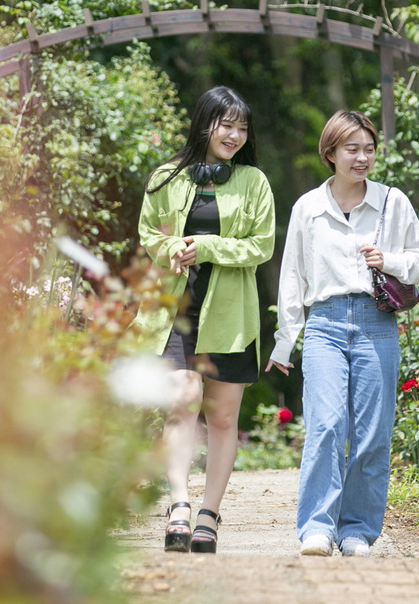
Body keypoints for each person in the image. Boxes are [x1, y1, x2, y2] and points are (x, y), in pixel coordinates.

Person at [266, 109, 419, 557]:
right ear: (331, 153)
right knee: (325, 424)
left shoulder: (392, 202)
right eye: (352, 150)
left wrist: (390, 260)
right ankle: (317, 527)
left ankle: (357, 530)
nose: (362, 158)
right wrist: (285, 341)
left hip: (377, 323)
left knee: (373, 434)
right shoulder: (308, 207)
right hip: (324, 324)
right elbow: (293, 277)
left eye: (369, 150)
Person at [134, 86, 275, 554]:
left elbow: (262, 245)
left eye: (242, 127)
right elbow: (148, 232)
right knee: (184, 396)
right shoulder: (165, 177)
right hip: (177, 309)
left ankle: (209, 515)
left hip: (230, 313)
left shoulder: (254, 182)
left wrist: (209, 246)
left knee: (222, 415)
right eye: (225, 124)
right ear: (204, 123)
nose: (234, 135)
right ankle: (179, 504)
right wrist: (172, 247)